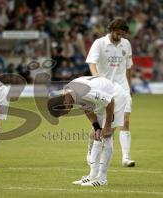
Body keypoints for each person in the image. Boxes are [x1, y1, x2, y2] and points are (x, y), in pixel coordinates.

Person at [47, 76, 126, 186]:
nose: (68, 111)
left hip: (115, 96)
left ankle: (102, 179)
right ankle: (92, 176)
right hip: (104, 99)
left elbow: (110, 101)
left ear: (64, 102)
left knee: (106, 136)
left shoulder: (83, 92)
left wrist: (107, 126)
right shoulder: (70, 94)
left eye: (65, 111)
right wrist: (96, 126)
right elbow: (87, 108)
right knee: (96, 135)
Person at [85, 18, 135, 167]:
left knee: (125, 120)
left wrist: (129, 88)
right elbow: (92, 63)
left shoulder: (126, 44)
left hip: (122, 87)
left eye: (122, 35)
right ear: (112, 30)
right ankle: (90, 150)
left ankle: (126, 157)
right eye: (118, 34)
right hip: (104, 88)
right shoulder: (99, 43)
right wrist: (97, 80)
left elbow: (128, 67)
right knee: (104, 127)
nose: (120, 37)